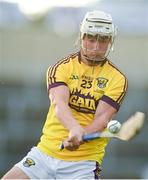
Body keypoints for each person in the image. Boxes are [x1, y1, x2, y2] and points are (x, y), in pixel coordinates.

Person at [2, 10, 128, 179]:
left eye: (103, 40)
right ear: (82, 37)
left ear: (111, 41)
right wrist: (74, 128)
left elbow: (102, 119)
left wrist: (81, 136)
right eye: (91, 39)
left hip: (83, 163)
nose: (96, 47)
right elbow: (59, 104)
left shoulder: (117, 79)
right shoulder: (61, 68)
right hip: (45, 154)